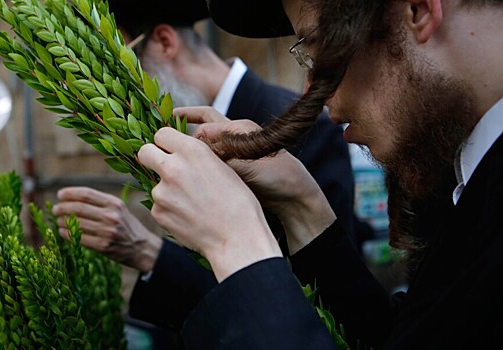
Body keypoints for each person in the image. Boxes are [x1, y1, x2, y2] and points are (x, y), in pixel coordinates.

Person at [125, 0, 503, 348]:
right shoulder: (463, 181)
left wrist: (240, 247)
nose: (318, 97)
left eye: (319, 45)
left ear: (418, 10)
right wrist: (303, 206)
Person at [52, 0, 359, 332]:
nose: (114, 98)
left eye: (114, 72)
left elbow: (327, 302)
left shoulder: (303, 126)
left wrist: (151, 252)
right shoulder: (175, 134)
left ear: (165, 42)